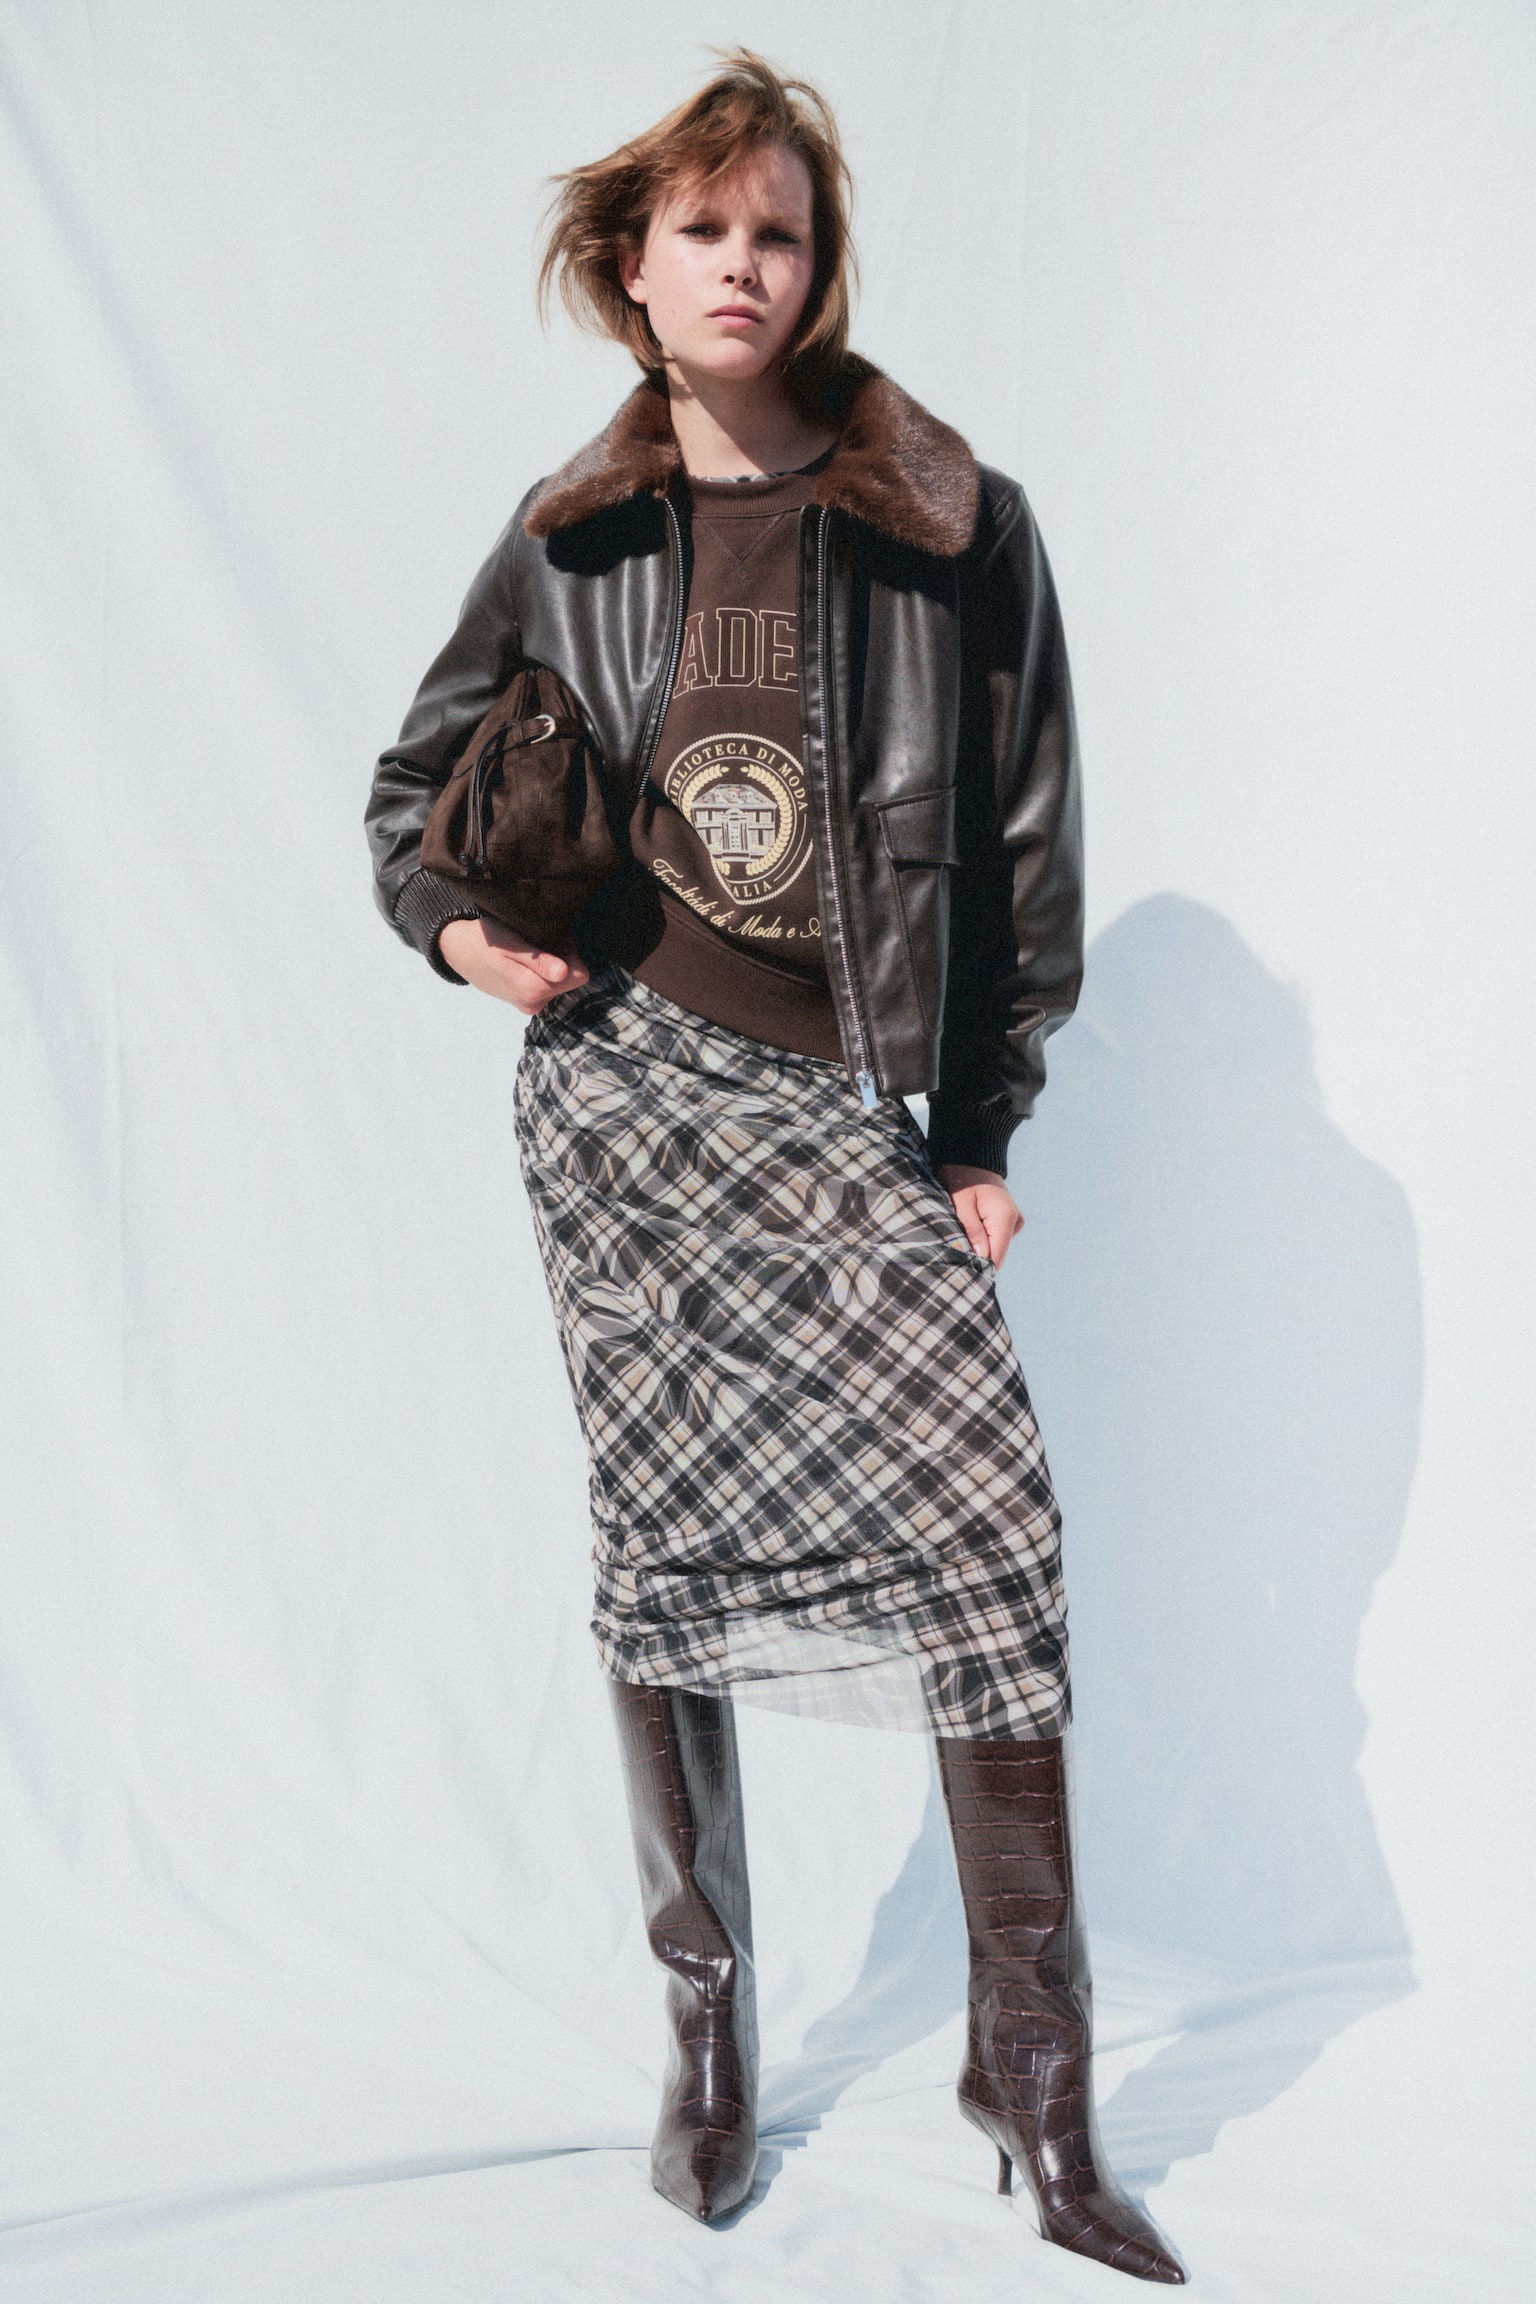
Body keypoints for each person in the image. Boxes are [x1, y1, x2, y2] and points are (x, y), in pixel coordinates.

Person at [365, 51, 1184, 2283]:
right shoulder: (569, 536)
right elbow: (407, 798)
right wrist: (464, 939)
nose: (744, 264)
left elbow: (1028, 851)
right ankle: (707, 2034)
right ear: (632, 272)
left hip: (842, 1104)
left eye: (781, 232)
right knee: (669, 1556)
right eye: (703, 230)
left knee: (989, 1549)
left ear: (821, 271)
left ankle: (1035, 2078)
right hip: (623, 1096)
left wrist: (978, 1125)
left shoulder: (949, 521)